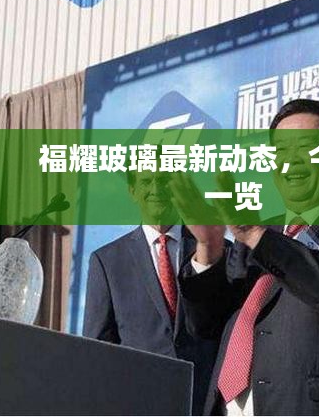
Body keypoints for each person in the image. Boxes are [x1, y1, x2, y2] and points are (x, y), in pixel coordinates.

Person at [175, 100, 319, 416]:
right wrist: (209, 246)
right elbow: (205, 326)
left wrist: (256, 235)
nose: (290, 162)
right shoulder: (260, 232)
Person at [83, 170, 221, 415]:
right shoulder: (107, 261)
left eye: (165, 180)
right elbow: (98, 350)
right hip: (137, 403)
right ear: (132, 191)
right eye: (146, 181)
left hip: (205, 402)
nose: (156, 189)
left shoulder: (217, 251)